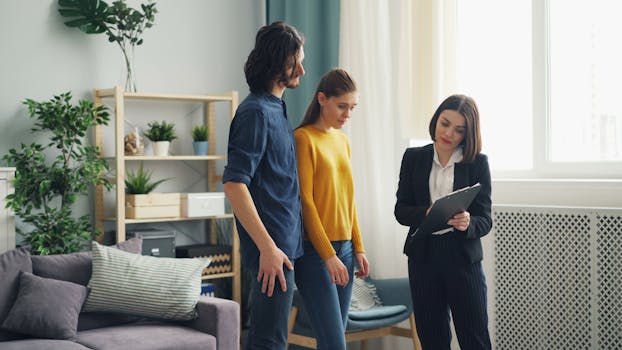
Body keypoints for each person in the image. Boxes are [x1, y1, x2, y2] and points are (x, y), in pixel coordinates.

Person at [222, 21, 305, 350]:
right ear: (277, 62)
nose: (302, 67)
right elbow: (234, 184)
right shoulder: (255, 112)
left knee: (274, 338)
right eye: (295, 60)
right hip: (273, 251)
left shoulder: (276, 108)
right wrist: (268, 248)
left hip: (287, 244)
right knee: (269, 341)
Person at [394, 94, 492, 350]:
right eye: (444, 123)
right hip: (423, 258)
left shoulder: (477, 163)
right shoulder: (413, 158)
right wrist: (425, 214)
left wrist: (468, 222)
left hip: (462, 259)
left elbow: (485, 219)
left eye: (459, 130)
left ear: (467, 134)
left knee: (475, 339)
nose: (448, 133)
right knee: (432, 339)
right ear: (436, 119)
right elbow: (401, 210)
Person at [293, 68, 370, 350]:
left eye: (352, 108)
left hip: (346, 249)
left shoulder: (342, 141)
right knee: (334, 342)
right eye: (342, 106)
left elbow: (349, 199)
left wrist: (358, 247)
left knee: (336, 340)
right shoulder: (303, 138)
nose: (347, 115)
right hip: (315, 253)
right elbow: (306, 201)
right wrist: (328, 255)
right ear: (322, 99)